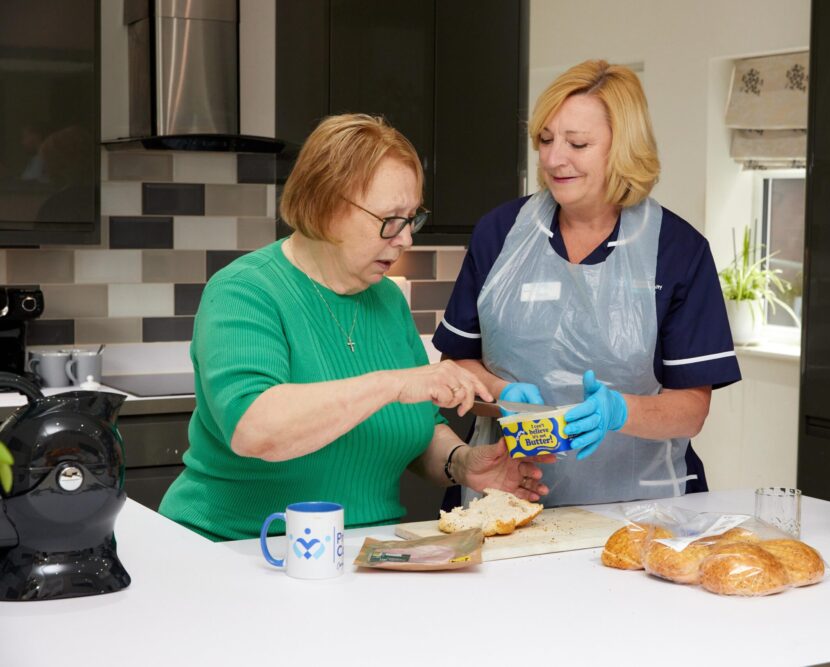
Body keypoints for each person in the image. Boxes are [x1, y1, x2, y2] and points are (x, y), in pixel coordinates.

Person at [160, 114, 551, 541]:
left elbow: (417, 428)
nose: (405, 240)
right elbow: (256, 430)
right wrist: (393, 384)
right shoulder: (245, 291)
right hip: (239, 551)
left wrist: (463, 462)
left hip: (362, 555)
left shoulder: (385, 299)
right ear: (326, 207)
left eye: (411, 218)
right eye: (391, 219)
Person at [432, 60, 741, 506]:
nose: (555, 159)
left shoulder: (677, 250)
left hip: (641, 512)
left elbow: (691, 409)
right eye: (545, 140)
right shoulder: (499, 234)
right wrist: (501, 393)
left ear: (623, 148)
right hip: (505, 500)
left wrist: (621, 411)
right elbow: (456, 362)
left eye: (577, 143)